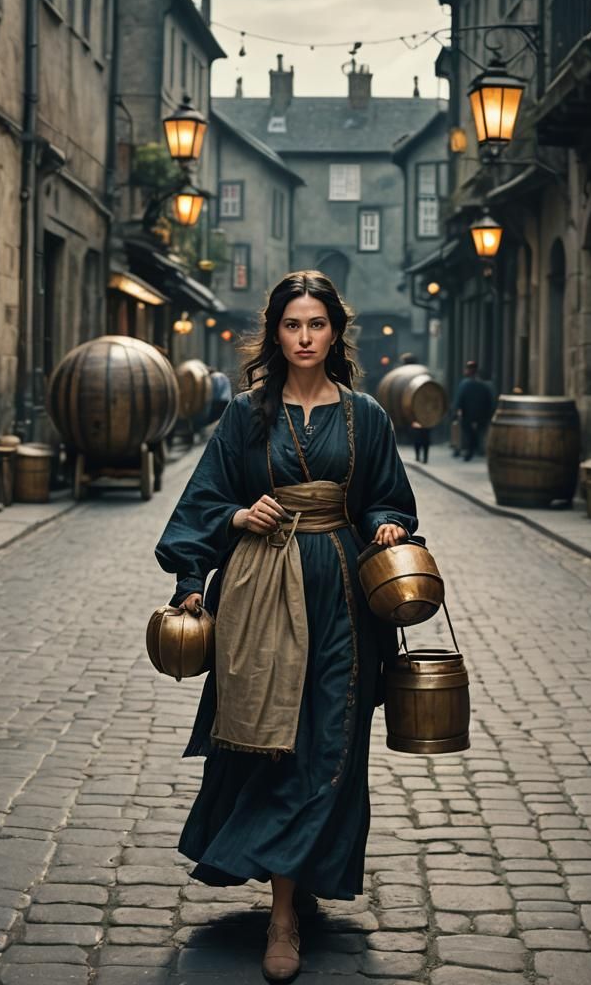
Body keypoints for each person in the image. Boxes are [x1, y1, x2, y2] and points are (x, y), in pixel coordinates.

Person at [155, 270, 418, 983]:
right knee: (275, 741)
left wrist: (387, 525)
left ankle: (289, 903)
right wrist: (231, 527)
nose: (305, 338)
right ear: (275, 332)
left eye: (317, 325)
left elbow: (386, 498)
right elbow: (206, 497)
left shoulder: (367, 415)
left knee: (333, 739)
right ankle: (282, 909)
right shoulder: (246, 415)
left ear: (336, 333)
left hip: (343, 593)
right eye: (292, 325)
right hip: (260, 590)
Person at [451, 360, 494, 461]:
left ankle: (469, 450)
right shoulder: (484, 384)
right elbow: (489, 400)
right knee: (475, 432)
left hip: (469, 414)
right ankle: (474, 449)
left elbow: (459, 399)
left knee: (469, 432)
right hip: (480, 414)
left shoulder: (465, 384)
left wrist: (456, 410)